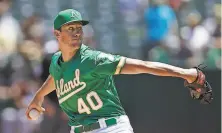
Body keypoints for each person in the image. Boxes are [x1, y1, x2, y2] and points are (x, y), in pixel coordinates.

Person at [25, 9, 212, 133]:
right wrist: (39, 96)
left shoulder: (93, 59)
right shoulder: (56, 61)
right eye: (71, 28)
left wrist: (185, 73)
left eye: (79, 29)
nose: (77, 33)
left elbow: (143, 66)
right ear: (57, 34)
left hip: (110, 129)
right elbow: (56, 76)